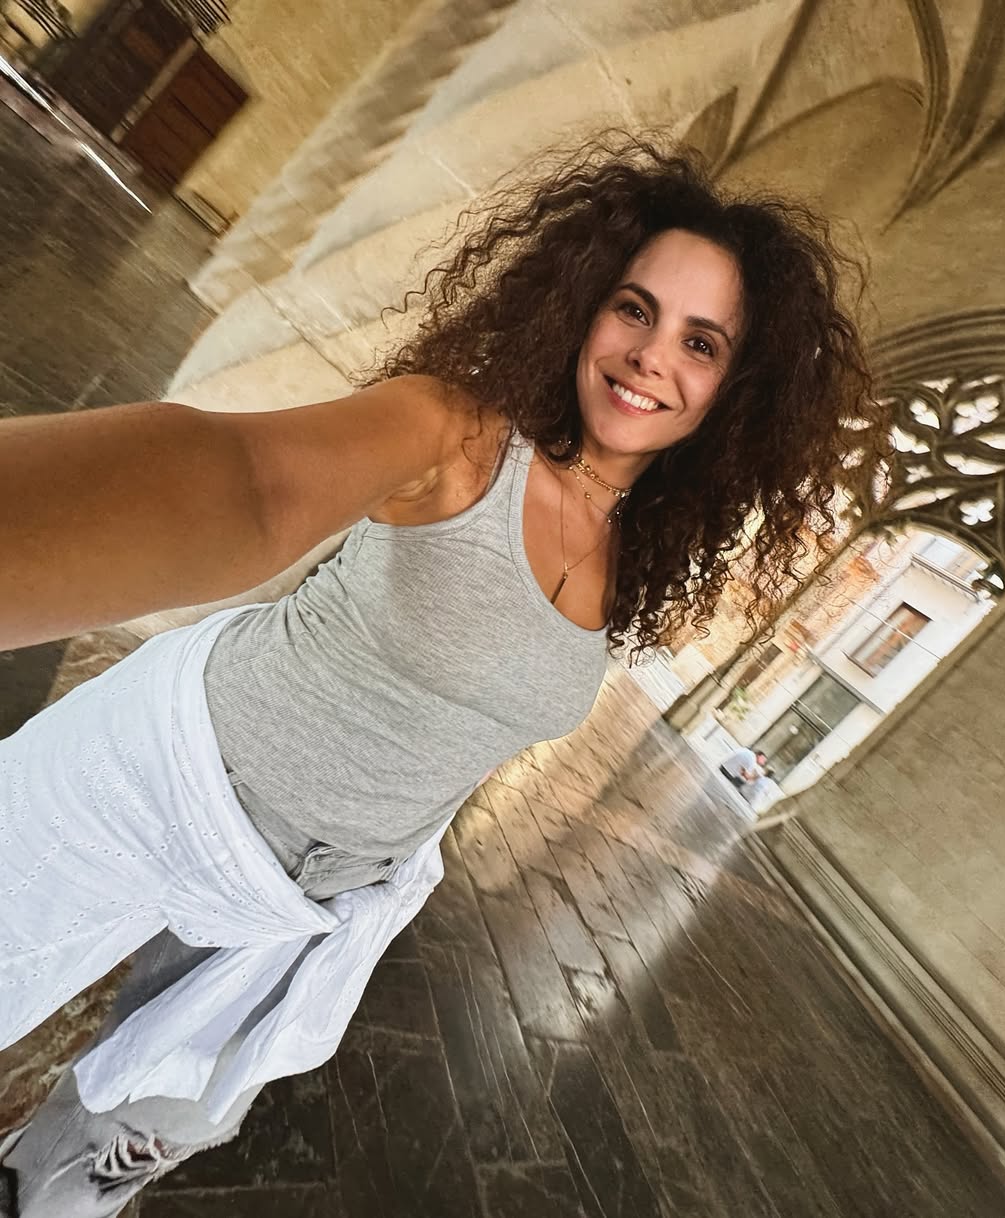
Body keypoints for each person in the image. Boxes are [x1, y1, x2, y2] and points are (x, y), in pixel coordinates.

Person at [0, 136, 888, 1215]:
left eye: (701, 342)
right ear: (583, 305)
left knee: (135, 1131)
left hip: (317, 900)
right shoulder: (461, 435)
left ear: (732, 392)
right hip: (181, 782)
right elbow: (249, 483)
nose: (653, 356)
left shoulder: (634, 559)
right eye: (635, 309)